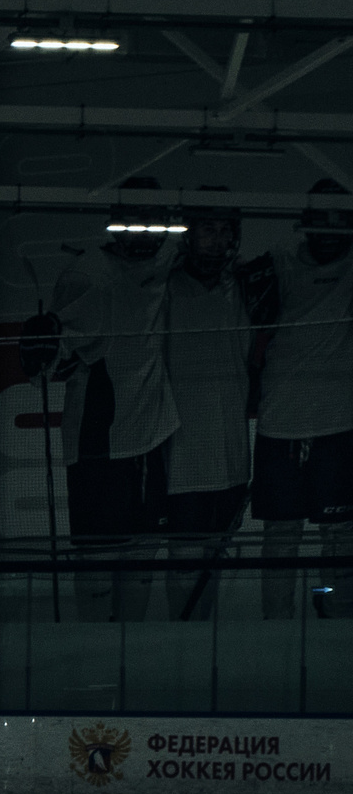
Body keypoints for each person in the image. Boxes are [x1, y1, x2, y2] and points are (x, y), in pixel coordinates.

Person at [22, 179, 180, 622]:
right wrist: (44, 350)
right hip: (98, 440)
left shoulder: (167, 263)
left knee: (143, 557)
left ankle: (134, 655)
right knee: (96, 560)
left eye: (154, 222)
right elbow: (52, 361)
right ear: (117, 224)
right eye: (136, 221)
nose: (145, 232)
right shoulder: (87, 274)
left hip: (152, 437)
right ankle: (94, 654)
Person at [239, 180, 353, 619]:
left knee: (339, 534)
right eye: (320, 225)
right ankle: (277, 622)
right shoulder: (275, 266)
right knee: (281, 535)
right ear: (305, 227)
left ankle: (333, 611)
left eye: (339, 225)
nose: (328, 235)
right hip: (278, 427)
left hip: (338, 427)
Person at [159, 193, 252, 620]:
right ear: (189, 235)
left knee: (217, 555)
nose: (217, 241)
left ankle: (201, 639)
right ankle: (180, 642)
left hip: (232, 455)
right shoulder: (168, 289)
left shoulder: (244, 290)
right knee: (184, 557)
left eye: (224, 232)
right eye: (208, 230)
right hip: (184, 456)